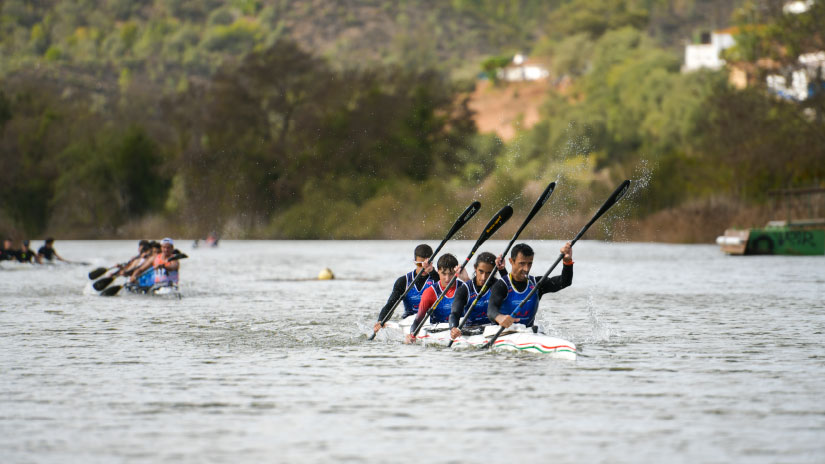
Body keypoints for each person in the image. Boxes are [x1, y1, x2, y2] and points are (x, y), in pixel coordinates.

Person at [486, 242, 573, 330]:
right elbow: (491, 311)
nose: (526, 269)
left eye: (529, 263)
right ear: (511, 261)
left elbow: (565, 282)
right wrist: (499, 317)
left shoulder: (537, 284)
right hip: (503, 332)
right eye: (522, 263)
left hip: (527, 333)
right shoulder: (501, 285)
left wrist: (567, 262)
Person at [373, 244, 439, 335]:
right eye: (420, 264)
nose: (423, 267)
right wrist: (381, 320)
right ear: (414, 262)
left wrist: (432, 272)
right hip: (409, 321)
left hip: (431, 320)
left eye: (427, 264)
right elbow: (390, 305)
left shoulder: (438, 279)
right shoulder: (403, 281)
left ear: (431, 263)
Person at [406, 253, 468, 343]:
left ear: (456, 273)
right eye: (443, 274)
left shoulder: (464, 288)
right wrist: (412, 334)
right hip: (438, 331)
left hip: (459, 330)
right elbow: (418, 319)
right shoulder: (430, 292)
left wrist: (466, 279)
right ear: (438, 271)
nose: (447, 279)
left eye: (451, 274)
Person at [449, 251, 505, 340]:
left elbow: (511, 292)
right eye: (481, 271)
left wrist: (502, 270)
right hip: (471, 331)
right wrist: (453, 328)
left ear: (494, 271)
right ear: (475, 268)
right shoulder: (465, 289)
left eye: (488, 273)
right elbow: (455, 314)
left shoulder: (499, 286)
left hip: (493, 330)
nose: (483, 277)